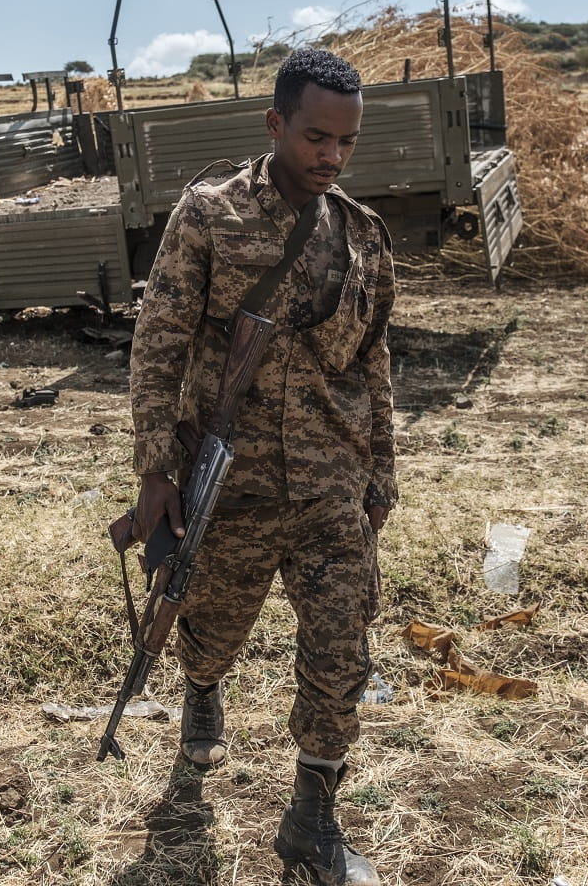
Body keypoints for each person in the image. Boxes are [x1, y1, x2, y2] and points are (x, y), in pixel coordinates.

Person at [128, 47, 396, 886]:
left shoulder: (362, 235)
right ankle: (202, 690)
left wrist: (380, 469)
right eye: (316, 137)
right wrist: (154, 472)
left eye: (345, 143)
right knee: (210, 629)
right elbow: (158, 345)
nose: (330, 157)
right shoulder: (208, 215)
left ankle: (312, 817)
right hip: (230, 483)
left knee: (339, 648)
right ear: (275, 123)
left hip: (329, 482)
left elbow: (373, 359)